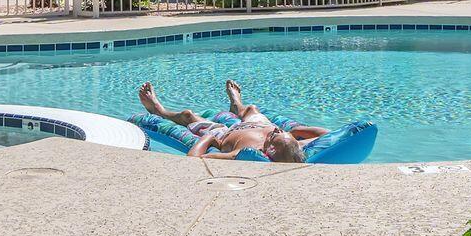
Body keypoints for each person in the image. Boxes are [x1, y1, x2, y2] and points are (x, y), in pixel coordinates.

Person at [137, 79, 328, 163]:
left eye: (277, 135)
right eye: (281, 131)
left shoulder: (246, 152)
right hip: (259, 124)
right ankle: (236, 104)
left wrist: (209, 138)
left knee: (188, 115)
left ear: (270, 150)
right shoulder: (294, 148)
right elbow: (325, 135)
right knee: (252, 109)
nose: (279, 130)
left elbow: (194, 160)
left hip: (224, 132)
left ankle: (158, 109)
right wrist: (297, 132)